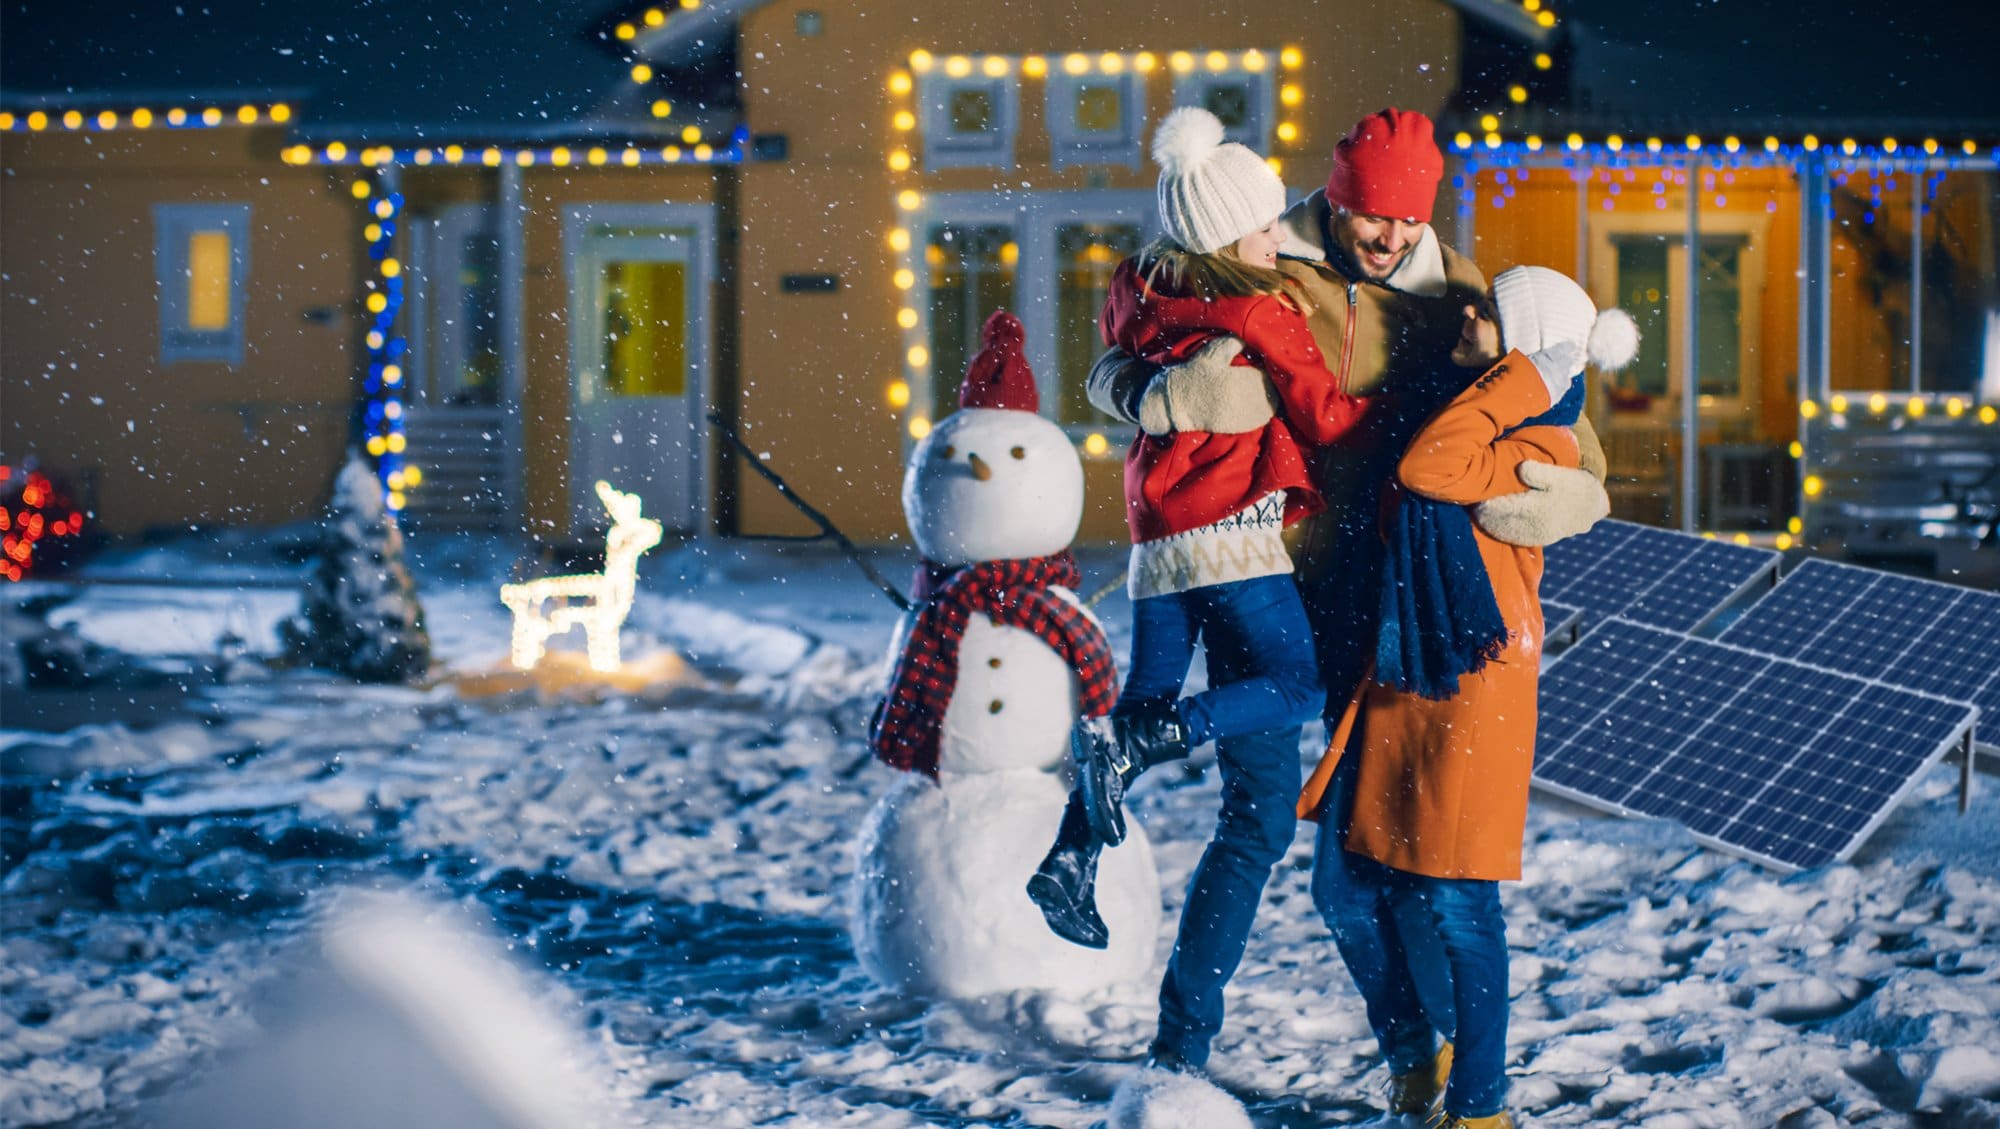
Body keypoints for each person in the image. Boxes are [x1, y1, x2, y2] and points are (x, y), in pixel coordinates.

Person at [1085, 107, 1611, 1100]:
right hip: (1267, 568)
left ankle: (1435, 1052)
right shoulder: (1259, 253)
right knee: (1255, 821)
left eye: (1408, 222)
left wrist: (1579, 486)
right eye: (1371, 219)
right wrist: (1141, 395)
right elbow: (1129, 324)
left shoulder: (1460, 291)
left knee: (1386, 852)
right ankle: (1178, 1050)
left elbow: (1549, 392)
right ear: (1333, 197)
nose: (1390, 239)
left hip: (1395, 607)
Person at [1027, 107, 1363, 1073]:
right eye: (1263, 225)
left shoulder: (1142, 288)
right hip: (1239, 539)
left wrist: (1145, 395)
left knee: (1219, 792)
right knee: (1296, 687)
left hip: (1156, 542)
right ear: (1226, 235)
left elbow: (1112, 367)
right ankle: (1162, 735)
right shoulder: (1259, 311)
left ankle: (1068, 860)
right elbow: (1332, 414)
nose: (1277, 235)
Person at [1298, 266, 1638, 1129]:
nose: (1468, 313)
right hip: (1409, 668)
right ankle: (1417, 1053)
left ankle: (1480, 1107)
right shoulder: (1466, 406)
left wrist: (1530, 373)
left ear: (1528, 346)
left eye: (1491, 312)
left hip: (1471, 685)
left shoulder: (1538, 444)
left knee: (1458, 900)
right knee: (1346, 888)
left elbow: (1427, 466)